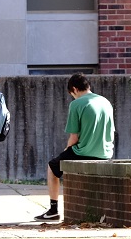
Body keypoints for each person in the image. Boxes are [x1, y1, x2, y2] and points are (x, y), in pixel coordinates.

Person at [34, 73, 115, 221]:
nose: (73, 97)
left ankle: (53, 210)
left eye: (72, 94)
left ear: (74, 89)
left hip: (84, 151)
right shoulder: (105, 102)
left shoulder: (77, 104)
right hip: (106, 152)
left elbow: (74, 137)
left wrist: (66, 150)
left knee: (52, 167)